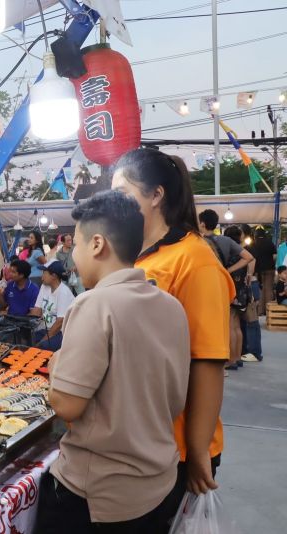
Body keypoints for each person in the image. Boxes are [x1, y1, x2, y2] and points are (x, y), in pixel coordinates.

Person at [38, 190, 190, 534]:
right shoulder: (171, 307)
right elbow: (176, 399)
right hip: (158, 485)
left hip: (98, 497)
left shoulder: (94, 304)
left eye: (75, 245)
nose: (73, 257)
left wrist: (56, 362)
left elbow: (66, 405)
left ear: (96, 244)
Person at [112, 148, 234, 510]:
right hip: (137, 435)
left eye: (123, 193)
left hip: (177, 446)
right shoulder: (137, 255)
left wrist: (197, 449)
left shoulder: (194, 261)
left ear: (155, 195)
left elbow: (208, 361)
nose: (115, 204)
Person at [198, 211, 254, 372]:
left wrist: (225, 270)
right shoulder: (227, 240)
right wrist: (228, 270)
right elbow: (248, 257)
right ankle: (236, 358)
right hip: (229, 285)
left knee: (224, 324)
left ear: (202, 223)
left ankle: (228, 359)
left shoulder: (199, 242)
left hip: (210, 285)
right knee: (235, 324)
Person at [29, 260, 75, 351]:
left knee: (44, 346)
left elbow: (59, 322)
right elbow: (37, 310)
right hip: (46, 328)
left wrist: (43, 341)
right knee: (28, 338)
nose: (42, 277)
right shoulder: (44, 286)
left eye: (44, 274)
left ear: (54, 276)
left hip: (61, 332)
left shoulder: (63, 292)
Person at [239, 224, 263, 362]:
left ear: (245, 234)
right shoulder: (242, 249)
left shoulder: (250, 249)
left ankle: (255, 352)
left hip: (251, 284)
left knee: (251, 320)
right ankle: (246, 349)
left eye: (239, 232)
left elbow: (250, 271)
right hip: (246, 285)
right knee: (243, 320)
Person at [251, 228, 277, 314]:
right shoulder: (270, 243)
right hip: (270, 268)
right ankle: (268, 310)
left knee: (259, 289)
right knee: (268, 289)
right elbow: (274, 257)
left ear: (256, 235)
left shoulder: (253, 244)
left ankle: (259, 311)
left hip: (258, 270)